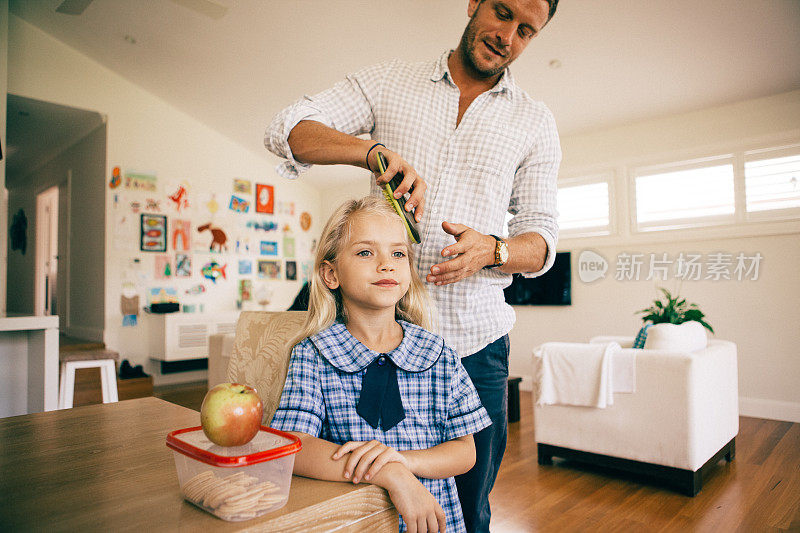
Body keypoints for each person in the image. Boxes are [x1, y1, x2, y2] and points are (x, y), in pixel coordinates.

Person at [265, 1, 561, 529]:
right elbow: (287, 130)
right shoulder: (388, 82)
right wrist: (370, 152)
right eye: (501, 12)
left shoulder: (535, 120)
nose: (507, 36)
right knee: (354, 506)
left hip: (473, 347)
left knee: (468, 511)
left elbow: (541, 243)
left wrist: (494, 250)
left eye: (526, 31)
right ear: (473, 2)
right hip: (368, 338)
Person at [270, 197, 491, 533]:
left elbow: (465, 452)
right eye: (365, 252)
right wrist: (389, 472)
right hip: (356, 523)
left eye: (398, 254)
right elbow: (292, 446)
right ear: (331, 274)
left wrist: (403, 461)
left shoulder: (439, 353)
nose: (386, 264)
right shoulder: (313, 354)